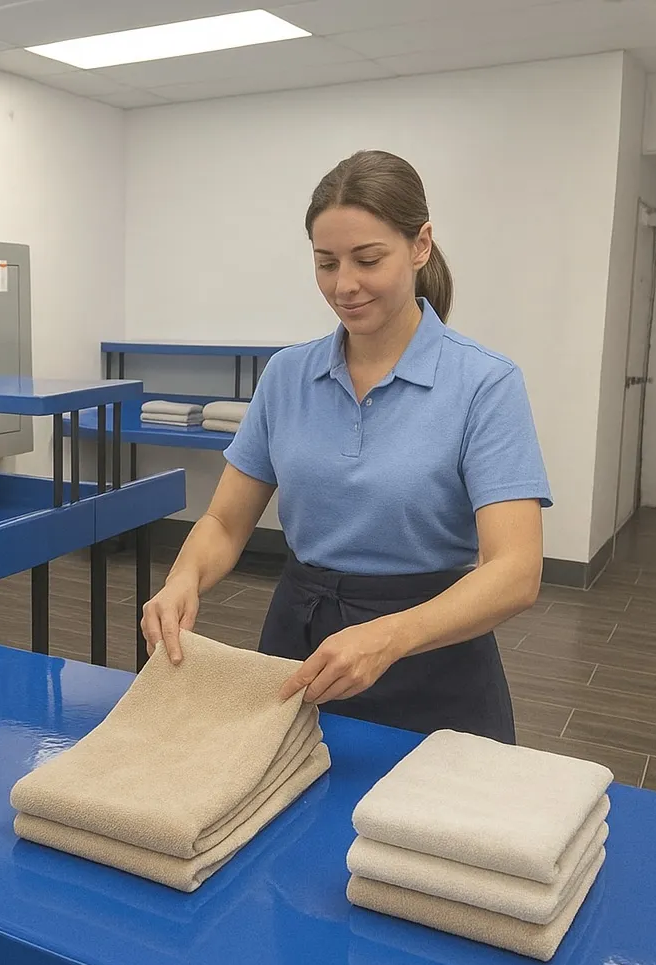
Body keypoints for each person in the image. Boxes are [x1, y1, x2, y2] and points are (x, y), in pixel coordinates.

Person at [140, 150, 551, 744]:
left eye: (368, 259)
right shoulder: (287, 376)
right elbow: (225, 523)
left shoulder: (484, 383)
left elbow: (516, 571)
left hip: (433, 655)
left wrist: (389, 636)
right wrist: (183, 579)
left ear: (420, 245)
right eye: (326, 263)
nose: (344, 285)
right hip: (300, 649)